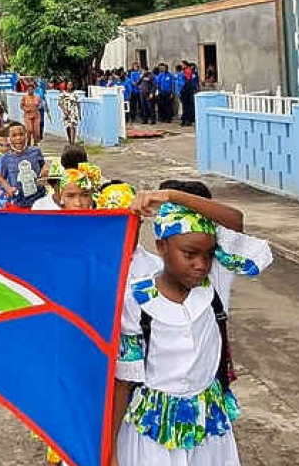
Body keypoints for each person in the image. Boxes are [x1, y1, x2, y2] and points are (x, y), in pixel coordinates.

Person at [111, 187, 273, 466]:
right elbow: (123, 382)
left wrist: (171, 195)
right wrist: (111, 453)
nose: (201, 264)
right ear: (161, 247)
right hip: (153, 434)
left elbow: (235, 220)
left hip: (208, 431)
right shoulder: (136, 300)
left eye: (208, 254)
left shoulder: (215, 284)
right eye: (189, 254)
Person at [0, 122, 47, 209]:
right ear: (9, 139)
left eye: (21, 134)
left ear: (26, 135)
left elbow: (43, 165)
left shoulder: (35, 151)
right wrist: (8, 189)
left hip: (39, 199)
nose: (18, 138)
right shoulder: (4, 159)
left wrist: (44, 169)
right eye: (14, 135)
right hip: (17, 202)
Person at [32, 161, 101, 211]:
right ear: (53, 185)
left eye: (85, 195)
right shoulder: (40, 207)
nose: (78, 203)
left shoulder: (96, 206)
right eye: (70, 195)